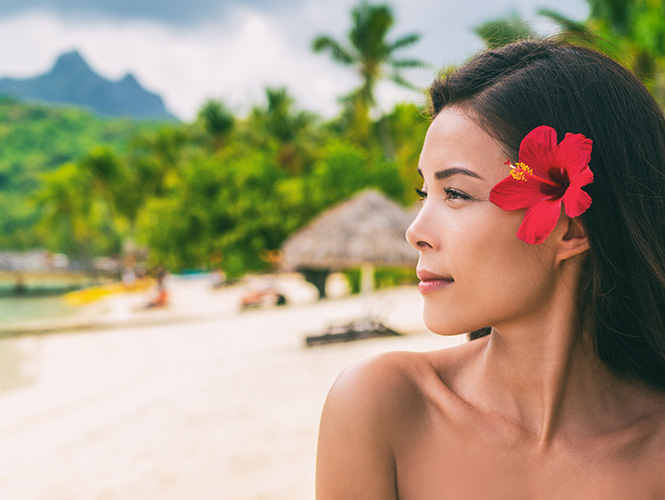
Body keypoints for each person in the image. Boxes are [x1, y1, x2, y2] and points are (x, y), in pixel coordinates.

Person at [316, 39, 665, 499]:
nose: (415, 232)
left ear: (571, 228)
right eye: (426, 194)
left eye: (456, 193)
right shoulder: (381, 407)